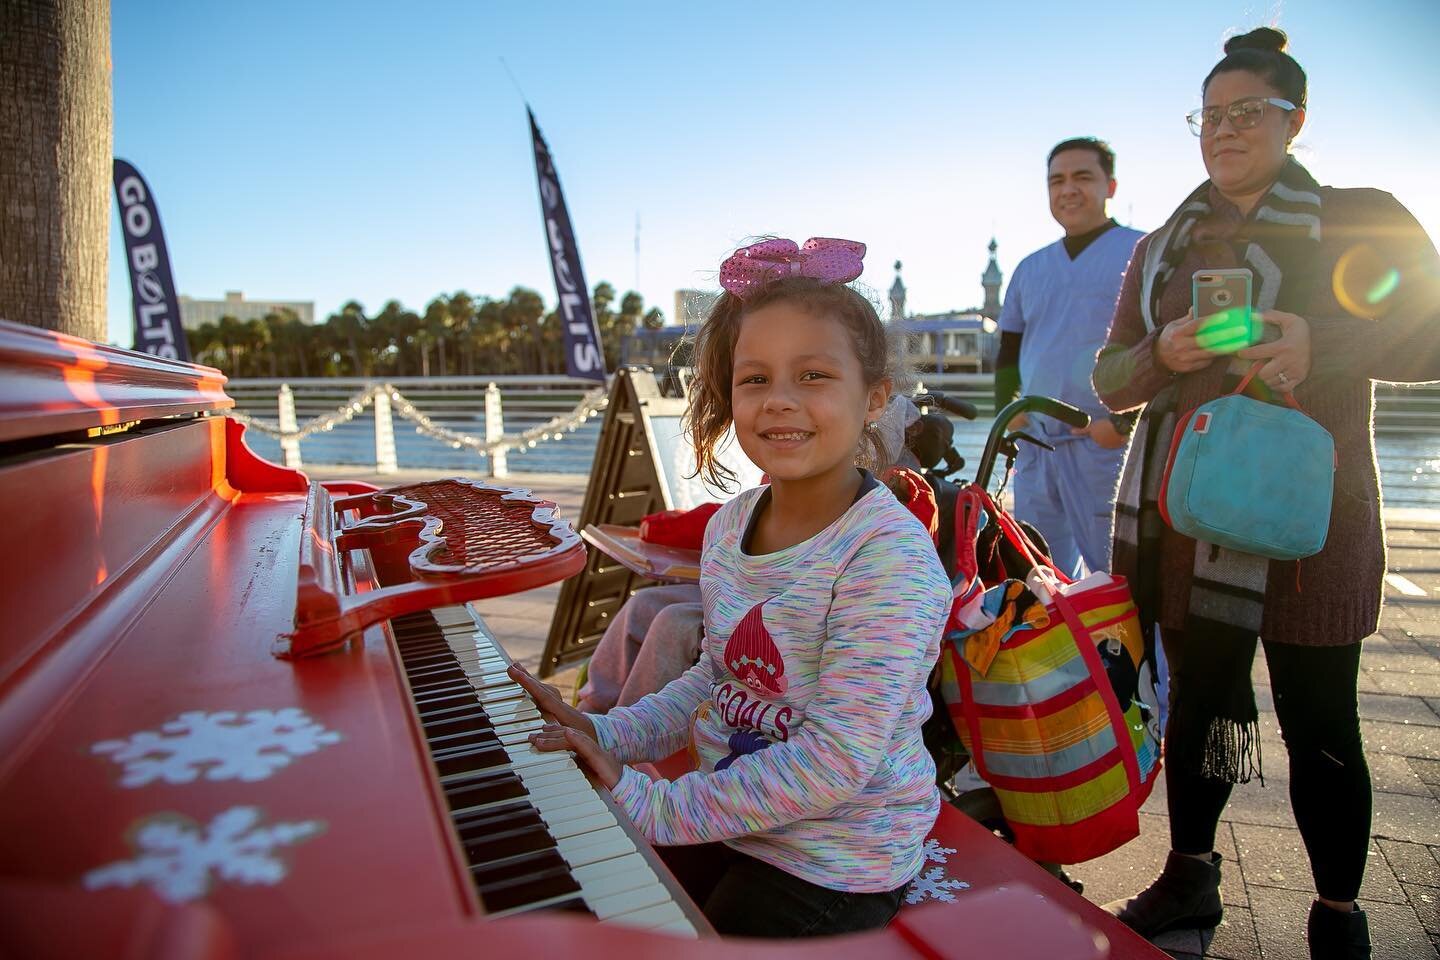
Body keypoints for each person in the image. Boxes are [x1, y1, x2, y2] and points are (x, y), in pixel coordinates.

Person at [1093, 28, 1440, 959]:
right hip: (1185, 514)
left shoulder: (1359, 216)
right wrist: (1160, 354)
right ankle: (1190, 877)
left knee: (1322, 715)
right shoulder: (1163, 245)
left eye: (1249, 113)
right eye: (1210, 115)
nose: (1225, 131)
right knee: (1198, 702)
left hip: (1309, 524)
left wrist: (1320, 343)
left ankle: (1338, 918)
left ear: (1296, 120)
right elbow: (1108, 377)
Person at [509, 237, 952, 937]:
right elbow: (719, 675)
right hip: (738, 820)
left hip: (835, 860)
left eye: (812, 376)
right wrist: (607, 732)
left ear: (874, 397)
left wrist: (654, 808)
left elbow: (837, 760)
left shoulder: (885, 558)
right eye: (755, 379)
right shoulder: (731, 528)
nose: (779, 401)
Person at [995, 137, 1145, 579]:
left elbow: (1161, 351)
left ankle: (1131, 653)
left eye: (1083, 177)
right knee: (1040, 576)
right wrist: (1014, 418)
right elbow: (1008, 352)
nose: (1068, 189)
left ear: (1110, 185)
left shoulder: (1143, 251)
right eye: (1056, 180)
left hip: (1107, 447)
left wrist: (1121, 427)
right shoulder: (1029, 268)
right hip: (1038, 446)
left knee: (1120, 576)